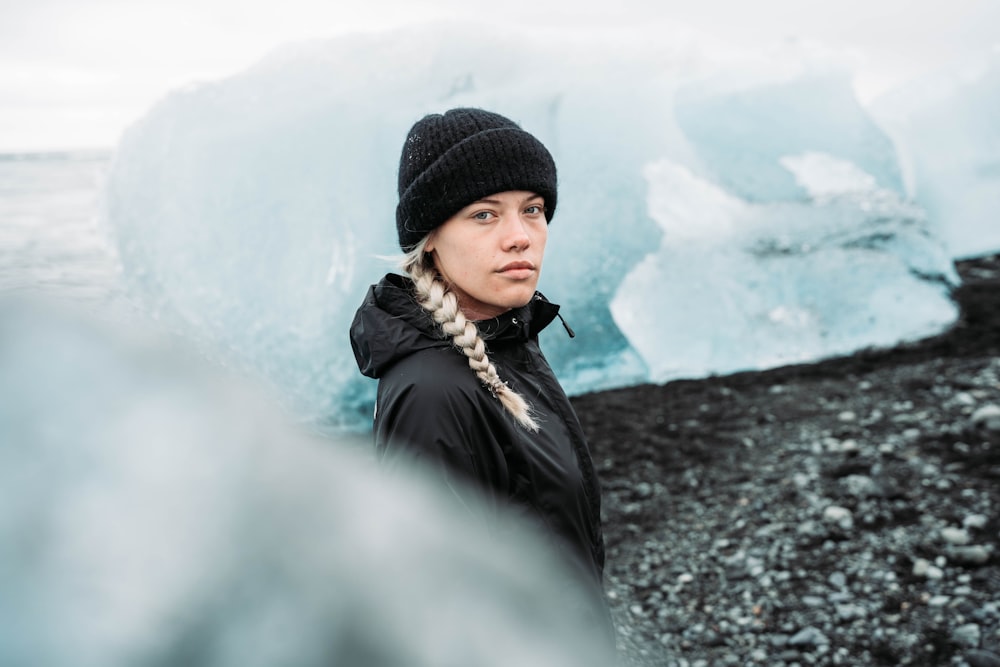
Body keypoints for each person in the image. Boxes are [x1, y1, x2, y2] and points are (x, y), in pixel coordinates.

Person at [350, 108, 613, 647]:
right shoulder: (432, 393)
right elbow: (441, 623)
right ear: (430, 239)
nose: (520, 237)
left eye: (533, 210)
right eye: (484, 215)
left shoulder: (509, 345)